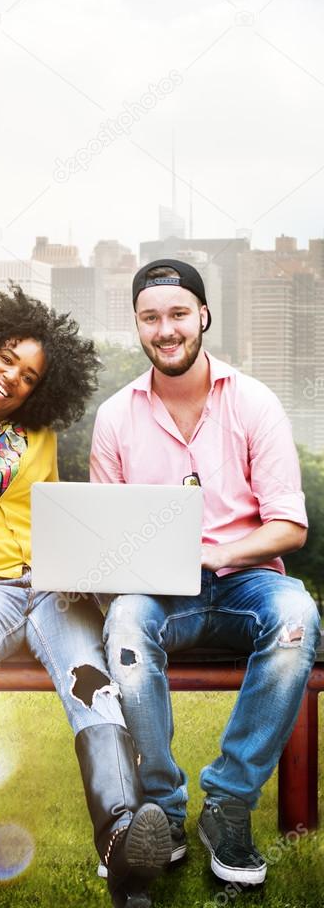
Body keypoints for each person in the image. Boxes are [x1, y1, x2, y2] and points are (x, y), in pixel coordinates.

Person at [0, 286, 172, 908]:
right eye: (4, 358)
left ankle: (123, 843)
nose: (11, 378)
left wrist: (82, 573)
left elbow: (58, 519)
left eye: (29, 377)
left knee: (91, 680)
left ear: (40, 391)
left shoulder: (40, 437)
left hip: (53, 588)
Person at [93, 259, 321, 887]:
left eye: (177, 315)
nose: (165, 330)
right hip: (164, 594)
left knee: (298, 615)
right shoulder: (115, 416)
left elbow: (290, 528)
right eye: (150, 318)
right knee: (127, 620)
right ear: (137, 326)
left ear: (203, 317)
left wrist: (217, 554)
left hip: (247, 581)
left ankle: (227, 803)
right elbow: (106, 535)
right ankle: (162, 811)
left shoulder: (254, 402)